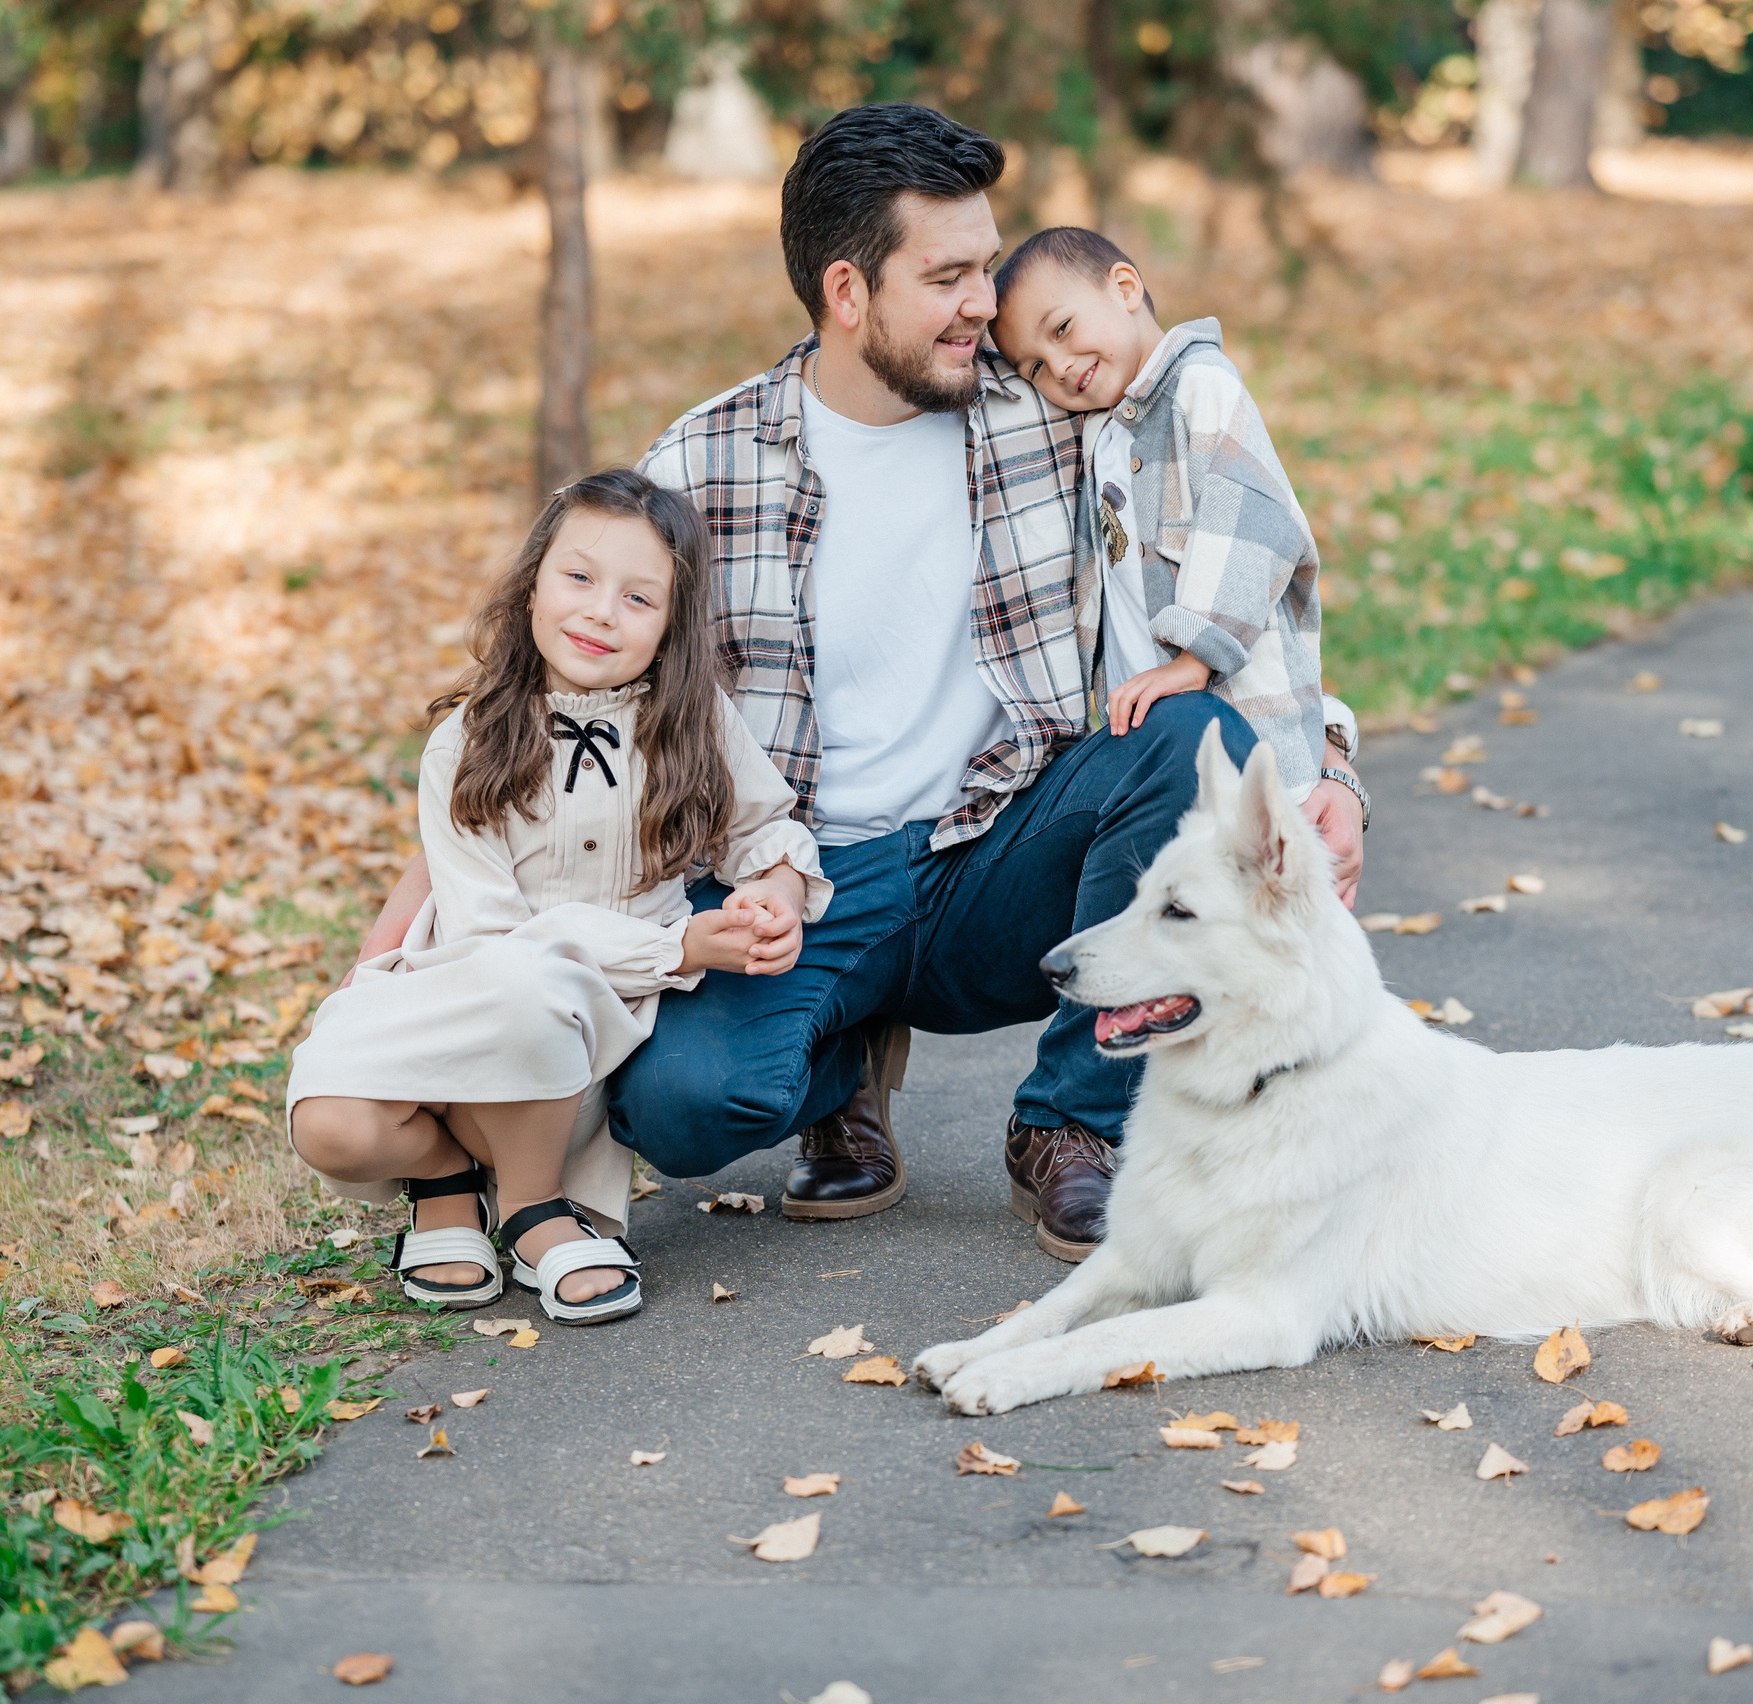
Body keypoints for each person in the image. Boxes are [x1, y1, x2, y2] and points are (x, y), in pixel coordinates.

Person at [347, 103, 1366, 1265]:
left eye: (986, 266)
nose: (986, 303)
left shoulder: (1055, 411)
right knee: (680, 1111)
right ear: (847, 290)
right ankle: (841, 1064)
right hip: (802, 884)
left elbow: (1235, 557)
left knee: (1180, 735)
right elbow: (548, 701)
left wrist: (1329, 765)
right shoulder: (700, 465)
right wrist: (403, 930)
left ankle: (1067, 1121)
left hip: (996, 851)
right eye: (948, 277)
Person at [286, 470, 828, 1323]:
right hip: (462, 993)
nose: (601, 612)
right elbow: (493, 941)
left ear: (672, 625)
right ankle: (444, 1176)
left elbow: (765, 829)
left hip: (573, 1048)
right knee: (330, 1125)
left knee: (539, 996)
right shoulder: (465, 740)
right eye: (578, 577)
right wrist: (677, 949)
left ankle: (534, 1204)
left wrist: (776, 894)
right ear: (532, 585)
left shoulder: (695, 723)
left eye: (639, 598)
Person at [990, 226, 1328, 796]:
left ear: (1125, 288)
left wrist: (1194, 660)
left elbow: (1251, 522)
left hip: (1250, 734)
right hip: (1155, 747)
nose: (1060, 366)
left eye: (1062, 329)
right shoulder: (1100, 433)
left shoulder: (1201, 386)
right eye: (1035, 369)